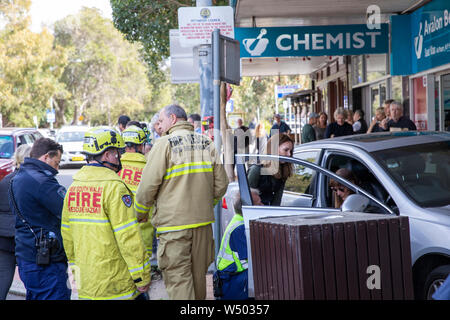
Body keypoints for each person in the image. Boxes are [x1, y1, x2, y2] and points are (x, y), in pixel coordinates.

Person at [134, 104, 229, 300]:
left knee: (179, 282)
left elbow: (146, 188)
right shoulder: (206, 143)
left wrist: (140, 213)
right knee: (198, 281)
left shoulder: (163, 144)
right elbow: (222, 185)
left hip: (174, 228)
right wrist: (204, 204)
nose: (159, 125)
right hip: (202, 227)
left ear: (173, 119)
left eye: (161, 120)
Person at [61, 127, 151, 300]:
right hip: (116, 285)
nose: (120, 157)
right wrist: (142, 276)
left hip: (88, 284)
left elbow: (67, 237)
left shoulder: (73, 188)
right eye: (117, 152)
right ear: (107, 154)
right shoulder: (115, 188)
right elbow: (128, 237)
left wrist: (76, 272)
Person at [10, 138, 71, 300]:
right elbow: (68, 210)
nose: (57, 169)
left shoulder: (18, 177)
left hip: (27, 255)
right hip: (45, 261)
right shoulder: (42, 181)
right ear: (45, 157)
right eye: (56, 163)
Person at [214, 189, 263, 300]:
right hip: (232, 279)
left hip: (232, 276)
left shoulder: (240, 220)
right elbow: (249, 260)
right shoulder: (240, 228)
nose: (263, 205)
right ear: (248, 208)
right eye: (259, 203)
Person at [118, 125, 154, 260]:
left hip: (119, 234)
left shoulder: (114, 168)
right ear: (141, 146)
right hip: (143, 234)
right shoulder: (149, 168)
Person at [0, 145, 31, 300]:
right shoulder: (30, 181)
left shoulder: (6, 180)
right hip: (23, 238)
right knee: (31, 282)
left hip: (3, 238)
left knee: (3, 281)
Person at [247, 134, 294, 206]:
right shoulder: (257, 170)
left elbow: (277, 198)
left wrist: (272, 214)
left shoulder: (283, 171)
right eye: (286, 150)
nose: (289, 154)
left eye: (290, 151)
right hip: (255, 210)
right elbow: (248, 198)